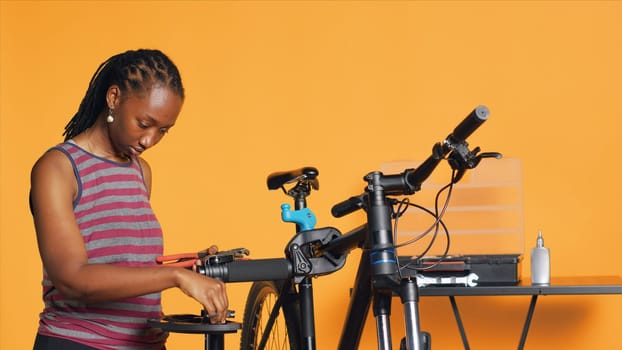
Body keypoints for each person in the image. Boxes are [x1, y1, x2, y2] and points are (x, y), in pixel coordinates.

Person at [30, 49, 228, 350]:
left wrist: (187, 268)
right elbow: (73, 279)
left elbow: (126, 264)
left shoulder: (140, 171)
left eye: (163, 130)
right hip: (77, 343)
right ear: (114, 98)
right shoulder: (58, 168)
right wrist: (173, 276)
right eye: (144, 123)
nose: (150, 140)